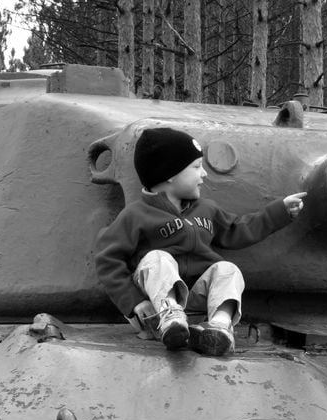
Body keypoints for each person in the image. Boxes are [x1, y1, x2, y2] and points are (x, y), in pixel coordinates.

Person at [94, 127, 305, 356]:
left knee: (228, 269)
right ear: (169, 173)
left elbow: (238, 230)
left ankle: (219, 326)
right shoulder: (136, 215)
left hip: (196, 298)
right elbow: (108, 258)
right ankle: (170, 314)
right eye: (196, 167)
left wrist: (279, 212)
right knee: (158, 258)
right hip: (154, 307)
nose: (204, 174)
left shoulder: (207, 209)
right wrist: (133, 302)